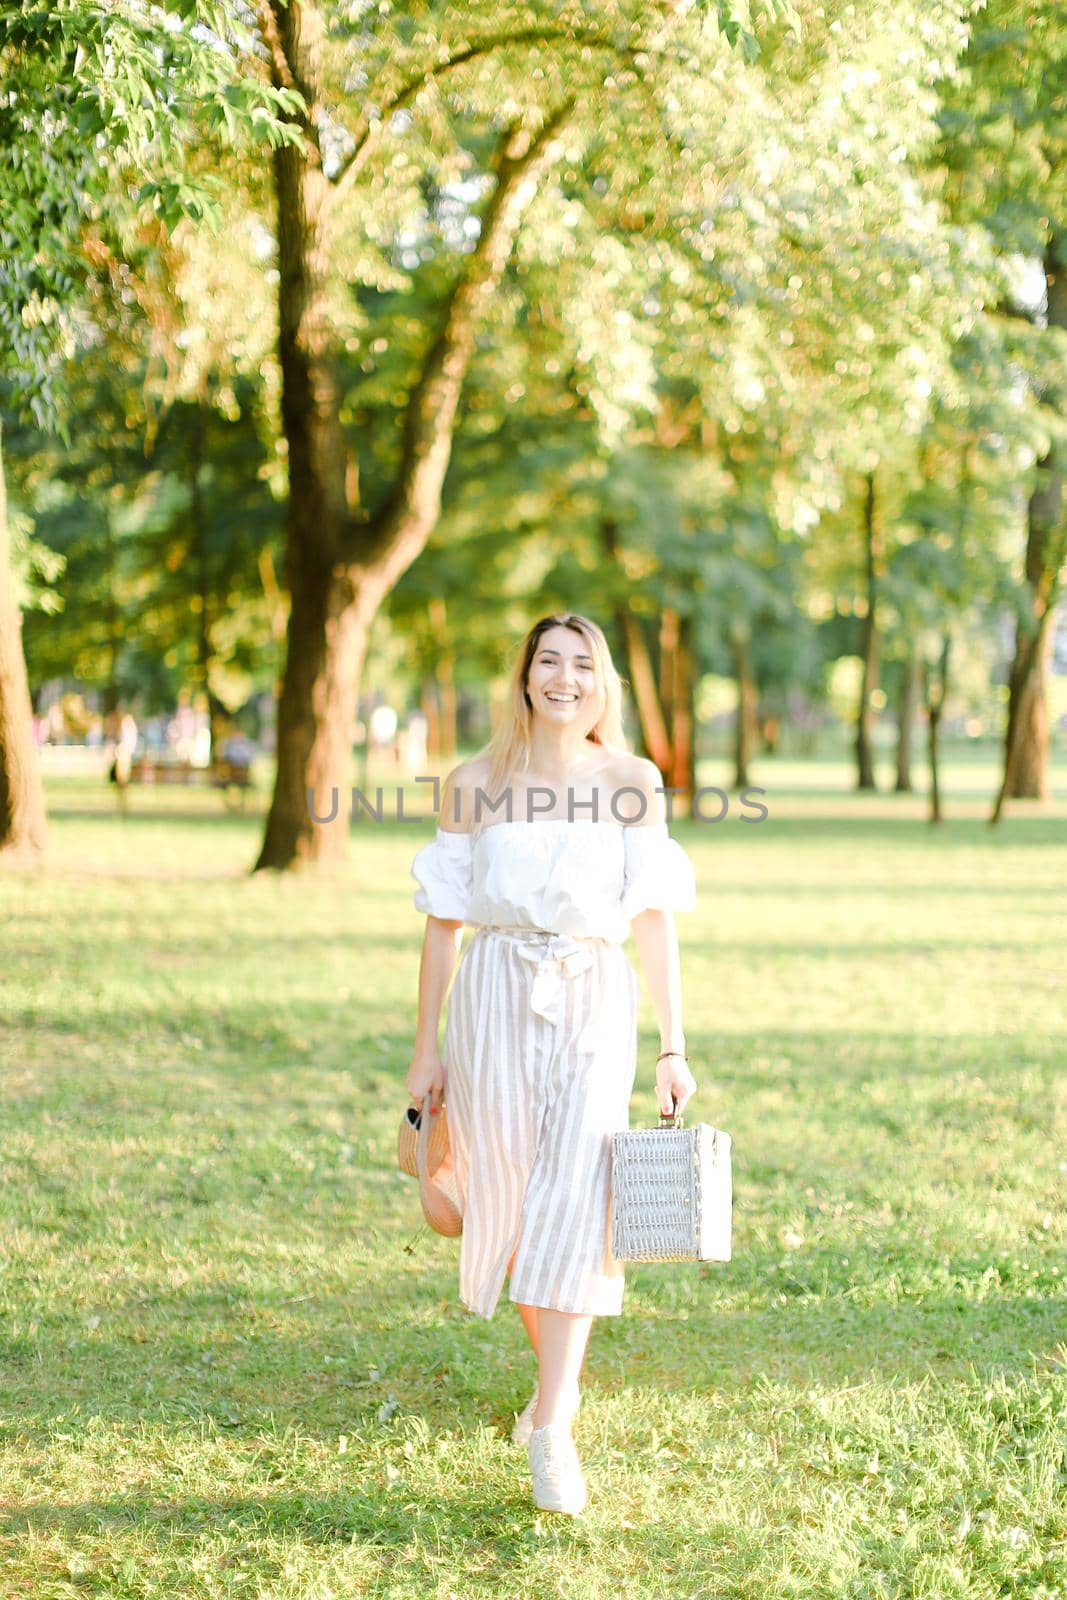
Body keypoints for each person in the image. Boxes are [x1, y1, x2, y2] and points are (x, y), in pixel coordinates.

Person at [405, 612, 698, 1517]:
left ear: (598, 682)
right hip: (492, 995)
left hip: (592, 995)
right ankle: (549, 1388)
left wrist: (672, 1045)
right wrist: (425, 1051)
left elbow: (651, 916)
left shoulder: (630, 781)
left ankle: (553, 1424)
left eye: (582, 664)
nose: (564, 678)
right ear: (523, 675)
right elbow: (443, 921)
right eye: (548, 661)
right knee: (512, 1197)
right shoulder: (473, 783)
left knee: (578, 1192)